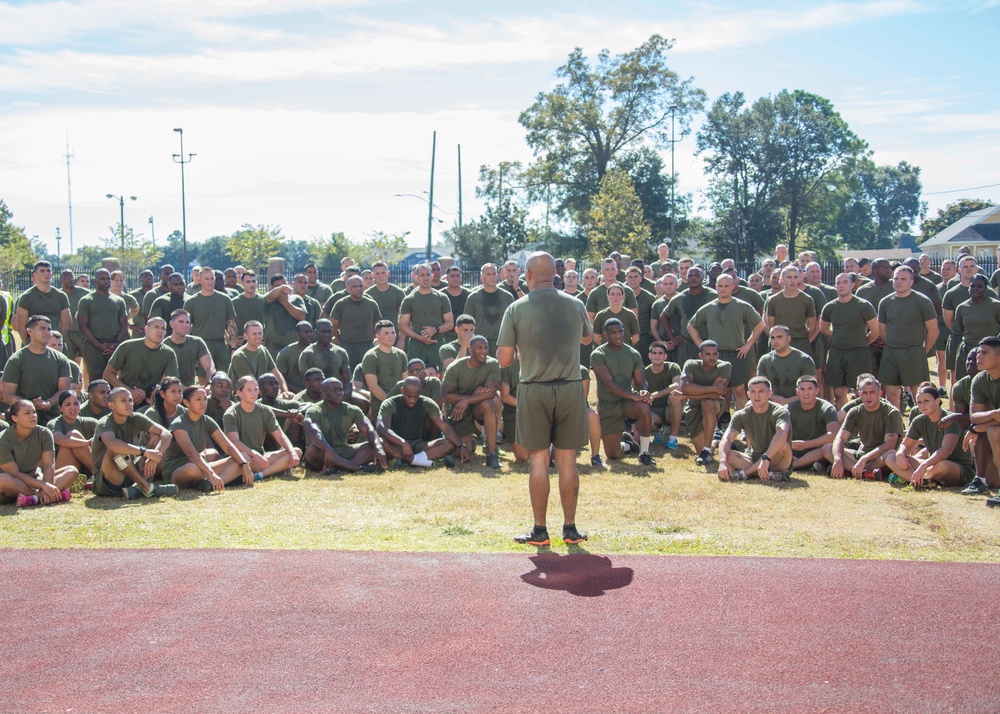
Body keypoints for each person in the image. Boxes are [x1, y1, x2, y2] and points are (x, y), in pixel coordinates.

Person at [497, 251, 593, 546]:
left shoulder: (516, 308)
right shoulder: (576, 304)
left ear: (527, 275)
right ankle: (571, 529)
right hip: (570, 387)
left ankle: (540, 531)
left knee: (538, 460)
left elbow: (503, 360)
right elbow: (588, 338)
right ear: (556, 274)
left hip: (534, 388)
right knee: (568, 461)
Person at [687, 274, 766, 411]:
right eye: (720, 286)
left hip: (736, 353)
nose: (723, 289)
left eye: (726, 286)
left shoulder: (742, 306)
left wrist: (748, 344)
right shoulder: (708, 308)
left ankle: (742, 422)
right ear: (715, 286)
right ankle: (719, 421)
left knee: (740, 391)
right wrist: (701, 345)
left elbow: (760, 324)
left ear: (733, 287)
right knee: (717, 391)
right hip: (714, 356)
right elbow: (691, 326)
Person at [160, 385, 254, 492]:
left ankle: (211, 484)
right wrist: (211, 472)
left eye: (205, 399)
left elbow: (227, 446)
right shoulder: (179, 423)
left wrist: (244, 464)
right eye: (198, 399)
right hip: (180, 469)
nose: (203, 403)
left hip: (203, 466)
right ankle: (216, 478)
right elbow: (191, 454)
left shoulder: (207, 421)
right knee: (192, 469)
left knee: (244, 457)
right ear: (186, 403)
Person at [90, 387, 177, 499]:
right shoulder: (104, 423)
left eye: (130, 400)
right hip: (109, 479)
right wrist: (145, 452)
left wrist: (155, 456)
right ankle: (147, 487)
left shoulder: (135, 418)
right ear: (111, 405)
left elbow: (166, 434)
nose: (129, 404)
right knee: (115, 450)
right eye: (123, 401)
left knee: (156, 438)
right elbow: (112, 444)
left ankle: (136, 488)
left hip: (129, 472)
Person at [590, 319, 655, 465]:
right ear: (606, 335)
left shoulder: (633, 353)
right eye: (613, 333)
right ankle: (627, 444)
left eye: (620, 331)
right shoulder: (598, 354)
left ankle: (644, 453)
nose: (618, 335)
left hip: (627, 403)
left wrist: (644, 391)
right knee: (612, 454)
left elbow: (641, 380)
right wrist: (634, 396)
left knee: (644, 406)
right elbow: (608, 384)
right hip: (608, 405)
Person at [884, 384, 975, 488]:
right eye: (919, 402)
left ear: (937, 401)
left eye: (926, 401)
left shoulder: (950, 420)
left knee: (942, 466)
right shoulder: (919, 421)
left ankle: (919, 478)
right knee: (890, 457)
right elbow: (906, 445)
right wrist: (900, 453)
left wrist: (924, 465)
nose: (922, 405)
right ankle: (921, 482)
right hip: (931, 465)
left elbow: (946, 450)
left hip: (957, 468)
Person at [878, 265, 938, 411]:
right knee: (891, 393)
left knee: (919, 393)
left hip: (914, 352)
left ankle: (919, 426)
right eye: (896, 278)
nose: (898, 282)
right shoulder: (885, 302)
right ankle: (895, 426)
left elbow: (933, 331)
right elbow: (882, 330)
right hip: (891, 353)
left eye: (903, 279)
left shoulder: (922, 301)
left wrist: (922, 351)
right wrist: (893, 344)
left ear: (911, 281)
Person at [824, 375, 903, 479]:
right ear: (859, 394)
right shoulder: (854, 411)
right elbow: (840, 438)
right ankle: (864, 473)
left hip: (880, 457)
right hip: (861, 454)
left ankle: (852, 470)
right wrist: (838, 459)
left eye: (872, 392)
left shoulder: (891, 413)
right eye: (865, 393)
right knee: (827, 448)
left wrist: (865, 458)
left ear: (880, 393)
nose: (868, 396)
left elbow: (889, 445)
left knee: (890, 454)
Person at [819, 273, 880, 409]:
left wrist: (862, 343)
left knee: (862, 391)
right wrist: (838, 338)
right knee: (838, 391)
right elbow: (823, 328)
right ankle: (844, 419)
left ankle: (861, 419)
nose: (841, 285)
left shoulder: (864, 305)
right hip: (837, 353)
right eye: (838, 282)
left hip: (858, 353)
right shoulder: (830, 307)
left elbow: (875, 331)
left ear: (852, 285)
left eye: (845, 282)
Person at [377, 376, 467, 467]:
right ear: (402, 390)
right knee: (380, 442)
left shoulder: (427, 403)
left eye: (416, 397)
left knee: (449, 444)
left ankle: (411, 461)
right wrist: (403, 443)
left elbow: (445, 427)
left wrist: (461, 446)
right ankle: (423, 461)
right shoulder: (389, 403)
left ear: (420, 391)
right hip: (396, 445)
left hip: (418, 445)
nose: (412, 400)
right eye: (409, 396)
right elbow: (382, 428)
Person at [0, 400, 76, 507]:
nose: (33, 416)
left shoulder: (44, 433)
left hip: (35, 480)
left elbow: (49, 465)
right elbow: (15, 473)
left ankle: (34, 499)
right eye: (27, 413)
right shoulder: (3, 439)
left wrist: (46, 486)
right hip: (14, 483)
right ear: (14, 418)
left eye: (34, 412)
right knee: (3, 480)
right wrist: (43, 486)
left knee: (71, 470)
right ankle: (46, 495)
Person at [224, 376, 301, 481]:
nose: (253, 393)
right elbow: (234, 442)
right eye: (249, 390)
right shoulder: (231, 413)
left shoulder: (265, 411)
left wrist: (291, 452)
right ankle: (277, 469)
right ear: (239, 393)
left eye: (255, 389)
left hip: (261, 457)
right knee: (245, 457)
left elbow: (280, 435)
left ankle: (260, 475)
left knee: (297, 451)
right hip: (242, 458)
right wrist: (254, 454)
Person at [441, 335, 502, 468]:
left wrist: (468, 400)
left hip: (476, 406)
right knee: (464, 451)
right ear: (470, 349)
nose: (484, 351)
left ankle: (492, 453)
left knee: (490, 403)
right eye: (479, 348)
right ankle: (469, 441)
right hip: (459, 410)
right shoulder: (455, 367)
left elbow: (491, 392)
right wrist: (468, 398)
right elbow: (445, 396)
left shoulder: (492, 363)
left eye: (485, 347)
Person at [717, 377, 793, 482]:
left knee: (782, 445)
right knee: (726, 453)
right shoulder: (741, 414)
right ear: (748, 394)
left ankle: (746, 473)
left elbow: (782, 433)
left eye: (761, 391)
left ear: (769, 394)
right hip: (753, 458)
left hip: (778, 460)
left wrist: (766, 458)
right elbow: (726, 439)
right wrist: (722, 462)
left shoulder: (780, 411)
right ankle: (769, 475)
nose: (757, 396)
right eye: (753, 392)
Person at [303, 378, 386, 473]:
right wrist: (328, 450)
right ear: (324, 394)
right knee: (312, 450)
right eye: (335, 390)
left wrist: (378, 448)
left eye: (341, 389)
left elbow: (368, 429)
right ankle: (358, 469)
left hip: (344, 451)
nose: (340, 393)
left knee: (378, 443)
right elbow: (314, 432)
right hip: (323, 452)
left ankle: (339, 469)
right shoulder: (314, 411)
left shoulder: (352, 409)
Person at [2, 315, 72, 422]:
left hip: (54, 417)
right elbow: (8, 394)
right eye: (42, 328)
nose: (47, 332)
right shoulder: (16, 360)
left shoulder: (61, 359)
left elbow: (64, 390)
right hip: (24, 419)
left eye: (49, 329)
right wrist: (29, 406)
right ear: (30, 331)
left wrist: (48, 403)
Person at [673, 340, 731, 466]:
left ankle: (707, 448)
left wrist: (686, 396)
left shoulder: (725, 366)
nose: (712, 357)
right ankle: (717, 440)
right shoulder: (691, 364)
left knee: (707, 403)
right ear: (700, 356)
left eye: (715, 354)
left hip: (715, 404)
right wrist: (713, 388)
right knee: (703, 451)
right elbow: (685, 387)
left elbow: (716, 395)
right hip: (693, 407)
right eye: (708, 354)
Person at [103, 317, 180, 406]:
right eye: (156, 327)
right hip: (124, 399)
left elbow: (172, 383)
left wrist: (150, 393)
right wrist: (129, 391)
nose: (160, 331)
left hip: (152, 400)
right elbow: (108, 373)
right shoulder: (127, 347)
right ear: (146, 329)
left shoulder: (169, 353)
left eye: (163, 329)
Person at [76, 268, 129, 382]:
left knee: (115, 378)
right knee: (96, 379)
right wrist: (98, 345)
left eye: (108, 279)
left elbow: (124, 325)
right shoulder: (86, 300)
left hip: (114, 344)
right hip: (93, 345)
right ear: (95, 281)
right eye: (103, 279)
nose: (106, 281)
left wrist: (117, 344)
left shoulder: (119, 300)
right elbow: (82, 325)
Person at [398, 264, 454, 367]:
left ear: (432, 276)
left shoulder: (442, 297)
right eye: (422, 275)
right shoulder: (409, 299)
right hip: (416, 344)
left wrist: (435, 329)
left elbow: (450, 323)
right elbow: (403, 325)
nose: (425, 278)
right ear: (416, 277)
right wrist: (420, 338)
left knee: (440, 375)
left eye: (428, 274)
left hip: (437, 342)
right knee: (415, 376)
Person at [184, 266, 238, 372]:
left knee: (224, 378)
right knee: (204, 379)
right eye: (206, 279)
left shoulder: (225, 299)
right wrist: (189, 350)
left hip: (221, 344)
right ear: (200, 280)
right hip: (200, 345)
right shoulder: (191, 302)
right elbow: (186, 327)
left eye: (212, 278)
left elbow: (231, 324)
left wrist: (233, 348)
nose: (210, 282)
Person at [966, 336, 1000, 502]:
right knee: (992, 430)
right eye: (978, 352)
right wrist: (993, 415)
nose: (978, 356)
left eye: (985, 353)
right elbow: (975, 416)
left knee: (994, 431)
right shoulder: (980, 380)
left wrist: (977, 428)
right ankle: (981, 481)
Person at [662, 266, 716, 368]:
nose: (693, 278)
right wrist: (672, 338)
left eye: (697, 275)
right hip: (686, 345)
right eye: (690, 275)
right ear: (686, 278)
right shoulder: (679, 298)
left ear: (702, 277)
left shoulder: (713, 296)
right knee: (686, 377)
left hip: (709, 344)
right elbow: (664, 316)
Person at [952, 275, 1000, 381]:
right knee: (963, 381)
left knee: (989, 382)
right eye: (972, 286)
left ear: (985, 288)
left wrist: (995, 344)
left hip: (989, 351)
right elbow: (962, 328)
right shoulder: (962, 307)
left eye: (980, 286)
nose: (976, 289)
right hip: (967, 350)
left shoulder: (996, 305)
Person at [786, 376, 839, 471]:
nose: (806, 393)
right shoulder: (788, 409)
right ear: (797, 392)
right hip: (794, 450)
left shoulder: (827, 408)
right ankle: (810, 463)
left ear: (817, 391)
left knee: (827, 448)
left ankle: (792, 465)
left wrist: (806, 445)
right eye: (802, 389)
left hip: (818, 449)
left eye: (810, 389)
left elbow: (833, 435)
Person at [329, 275, 381, 369]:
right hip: (347, 345)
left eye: (360, 286)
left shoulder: (371, 304)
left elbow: (377, 325)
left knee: (367, 372)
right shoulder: (341, 304)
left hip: (367, 345)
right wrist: (338, 340)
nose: (358, 289)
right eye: (354, 286)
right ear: (348, 287)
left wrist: (374, 339)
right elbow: (333, 325)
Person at [756, 325, 816, 405]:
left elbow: (811, 391)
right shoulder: (765, 360)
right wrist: (774, 399)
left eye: (779, 337)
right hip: (772, 403)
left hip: (799, 404)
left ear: (789, 339)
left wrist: (786, 402)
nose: (775, 341)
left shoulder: (804, 360)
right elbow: (761, 387)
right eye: (772, 338)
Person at [362, 320, 410, 418]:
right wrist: (390, 403)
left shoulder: (401, 355)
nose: (391, 336)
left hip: (401, 402)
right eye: (386, 333)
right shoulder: (371, 356)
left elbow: (405, 381)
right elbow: (373, 387)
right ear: (377, 336)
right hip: (381, 404)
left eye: (393, 332)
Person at [464, 263, 514, 357]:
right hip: (480, 345)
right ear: (481, 278)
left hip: (502, 343)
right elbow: (467, 324)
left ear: (498, 276)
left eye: (494, 274)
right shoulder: (473, 298)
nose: (492, 277)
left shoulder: (507, 297)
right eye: (488, 274)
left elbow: (514, 321)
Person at [16, 261, 70, 343]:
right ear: (35, 275)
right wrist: (28, 344)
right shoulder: (26, 297)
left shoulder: (61, 296)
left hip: (55, 343)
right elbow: (21, 327)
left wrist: (55, 341)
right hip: (33, 343)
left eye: (48, 270)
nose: (46, 273)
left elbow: (64, 326)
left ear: (51, 274)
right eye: (42, 271)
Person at [50, 390, 98, 475]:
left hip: (84, 466)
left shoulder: (87, 422)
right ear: (60, 408)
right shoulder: (55, 423)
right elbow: (60, 440)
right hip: (63, 469)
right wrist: (87, 443)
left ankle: (98, 475)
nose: (73, 408)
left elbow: (105, 430)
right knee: (72, 436)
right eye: (68, 404)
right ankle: (97, 473)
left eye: (76, 404)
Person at [644, 341, 682, 449]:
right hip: (652, 410)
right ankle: (659, 429)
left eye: (660, 353)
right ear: (649, 356)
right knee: (644, 423)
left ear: (665, 356)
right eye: (654, 353)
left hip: (668, 409)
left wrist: (655, 395)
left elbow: (677, 385)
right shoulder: (644, 372)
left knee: (674, 396)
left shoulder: (673, 367)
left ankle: (673, 438)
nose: (657, 356)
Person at [229, 320, 286, 391]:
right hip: (245, 397)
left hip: (263, 395)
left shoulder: (263, 350)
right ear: (245, 336)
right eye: (254, 334)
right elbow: (251, 385)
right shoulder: (239, 356)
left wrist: (285, 392)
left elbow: (277, 374)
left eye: (260, 333)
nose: (258, 336)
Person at [164, 309, 214, 387]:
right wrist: (186, 390)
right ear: (171, 324)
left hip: (191, 389)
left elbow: (210, 367)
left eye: (187, 322)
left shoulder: (197, 342)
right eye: (181, 322)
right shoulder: (164, 345)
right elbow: (165, 377)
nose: (185, 325)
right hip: (170, 389)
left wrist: (210, 383)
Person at [365, 261, 407, 337]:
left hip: (394, 335)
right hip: (374, 336)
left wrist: (402, 339)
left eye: (383, 273)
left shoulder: (398, 292)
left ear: (388, 273)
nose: (380, 276)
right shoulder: (367, 294)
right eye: (377, 273)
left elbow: (405, 318)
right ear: (373, 275)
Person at [275, 321, 314, 393]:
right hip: (293, 394)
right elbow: (279, 378)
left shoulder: (317, 351)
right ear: (297, 334)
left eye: (310, 332)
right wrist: (298, 391)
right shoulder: (285, 353)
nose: (309, 334)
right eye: (305, 332)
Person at [232, 270, 267, 338]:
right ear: (242, 284)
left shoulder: (263, 301)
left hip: (260, 341)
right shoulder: (235, 302)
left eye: (253, 281)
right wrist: (233, 341)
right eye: (248, 282)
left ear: (257, 283)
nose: (251, 284)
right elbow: (229, 324)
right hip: (242, 342)